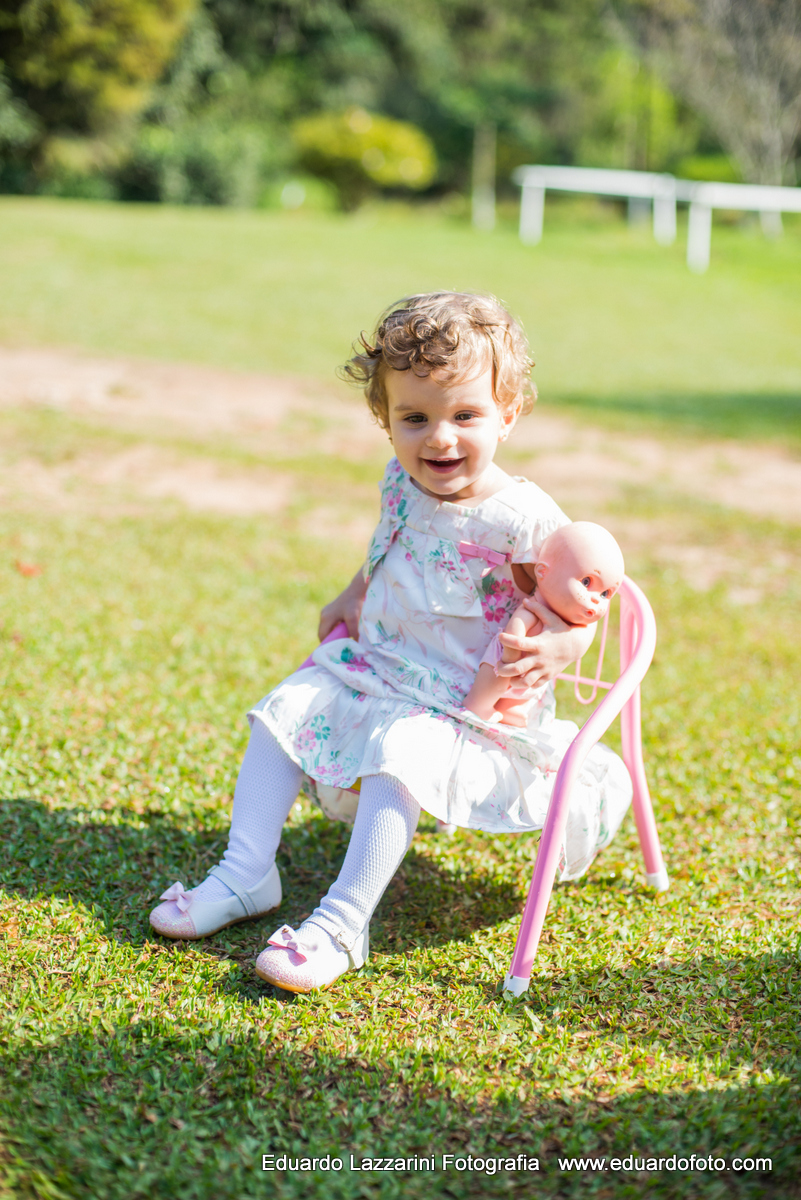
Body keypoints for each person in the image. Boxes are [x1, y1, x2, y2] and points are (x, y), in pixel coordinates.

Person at [149, 292, 632, 993]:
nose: (439, 438)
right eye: (415, 418)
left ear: (508, 413)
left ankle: (345, 922)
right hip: (382, 670)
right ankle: (245, 871)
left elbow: (579, 605)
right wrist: (353, 591)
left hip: (470, 711)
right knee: (282, 711)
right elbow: (389, 547)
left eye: (465, 416)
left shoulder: (524, 518)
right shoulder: (402, 484)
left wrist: (563, 647)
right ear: (386, 420)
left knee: (400, 753)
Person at [464, 522, 624, 727]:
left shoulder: (568, 623)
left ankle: (511, 708)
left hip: (531, 670)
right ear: (542, 571)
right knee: (494, 683)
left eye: (605, 594)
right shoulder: (535, 607)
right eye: (586, 582)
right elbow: (518, 625)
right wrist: (510, 656)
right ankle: (479, 704)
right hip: (505, 661)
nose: (596, 600)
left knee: (524, 692)